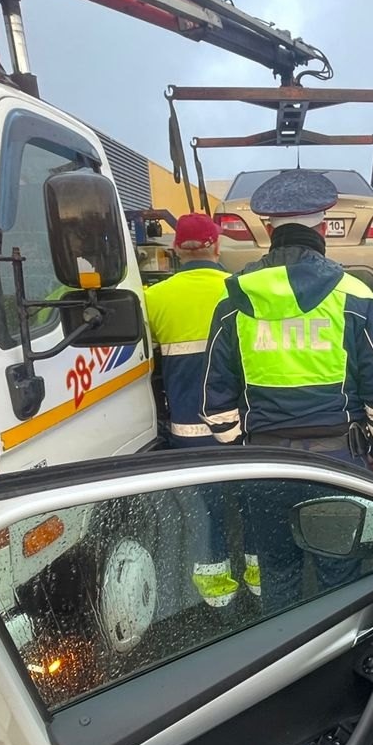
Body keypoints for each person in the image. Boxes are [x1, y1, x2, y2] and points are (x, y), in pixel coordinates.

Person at [201, 170, 373, 609]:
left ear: (269, 229)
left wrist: (241, 449)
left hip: (265, 465)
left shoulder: (233, 301)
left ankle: (285, 663)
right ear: (322, 225)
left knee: (277, 574)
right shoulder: (354, 296)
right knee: (339, 576)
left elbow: (215, 401)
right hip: (337, 463)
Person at [142, 212, 252, 608]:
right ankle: (258, 585)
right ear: (217, 246)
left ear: (175, 251)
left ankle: (218, 599)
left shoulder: (154, 298)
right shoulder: (241, 290)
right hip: (242, 430)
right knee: (249, 504)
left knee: (207, 514)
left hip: (188, 433)